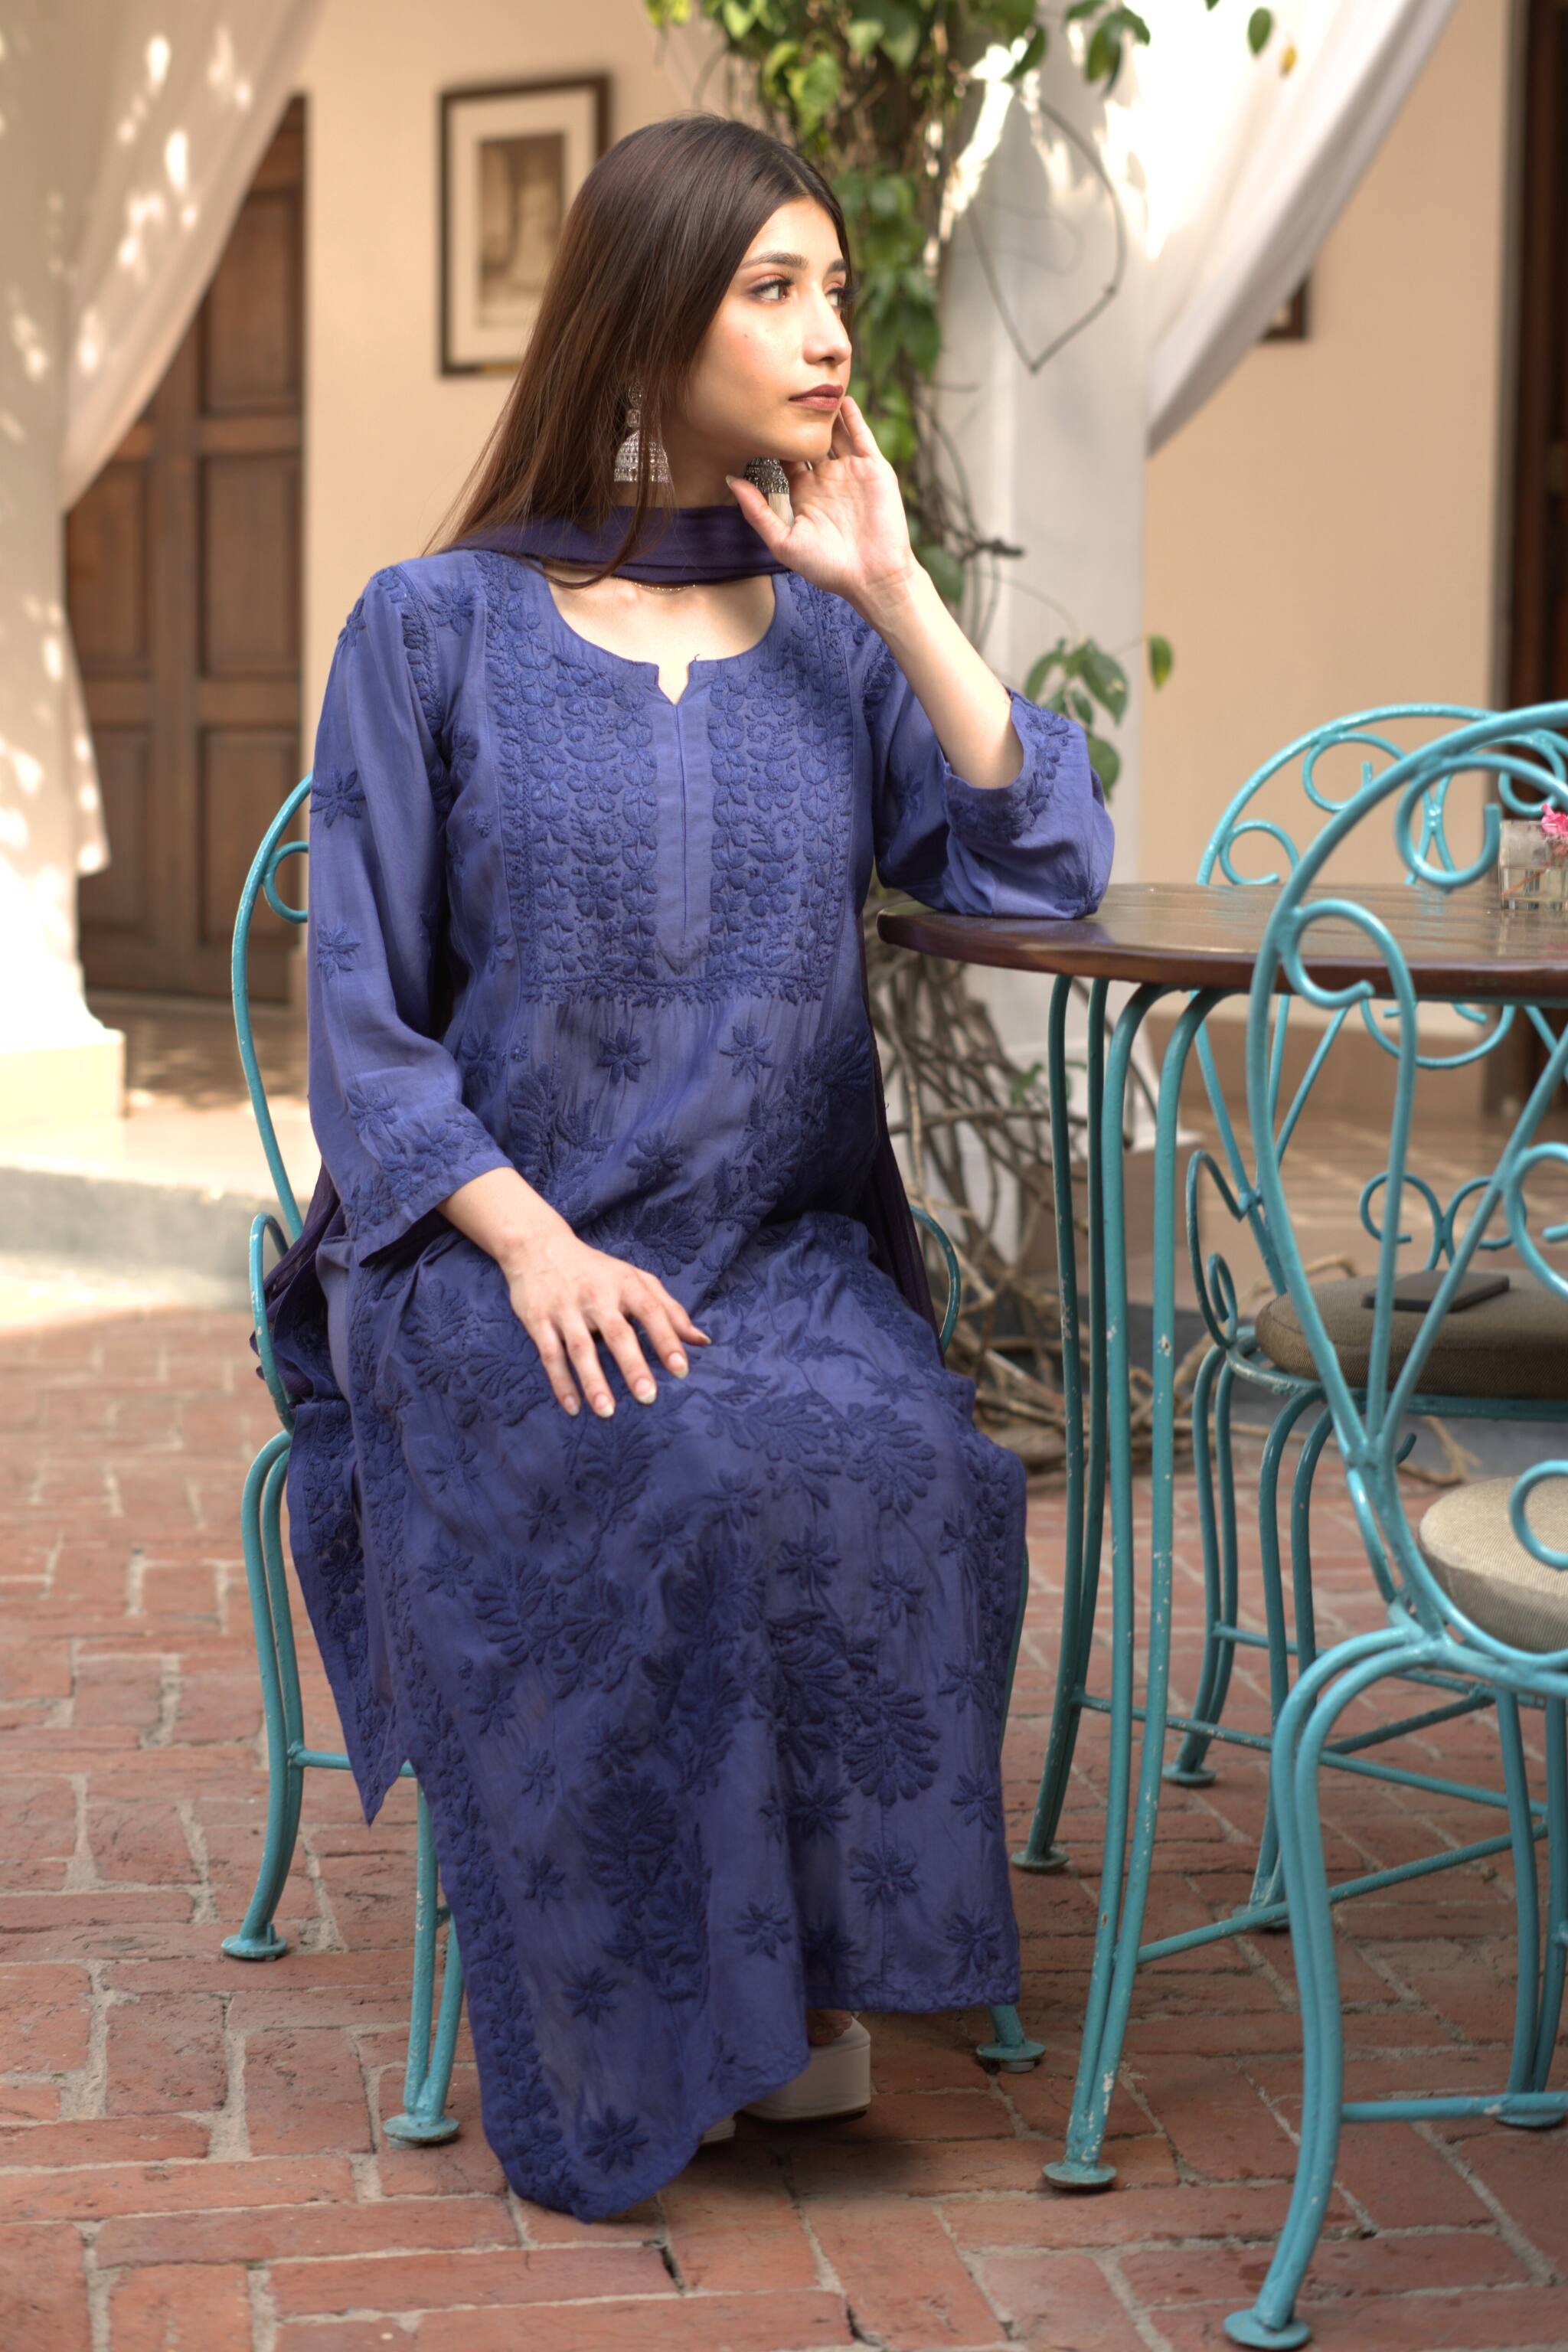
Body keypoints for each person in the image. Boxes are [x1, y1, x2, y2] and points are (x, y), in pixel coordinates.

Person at [264, 109, 1112, 2224]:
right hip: (483, 1249)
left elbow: (1043, 860)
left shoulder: (833, 634)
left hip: (776, 1247)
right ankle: (660, 2023)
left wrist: (895, 584)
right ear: (651, 318)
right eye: (774, 290)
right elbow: (360, 1020)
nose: (831, 335)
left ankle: (798, 1991)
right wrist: (531, 1247)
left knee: (907, 1465)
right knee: (671, 1466)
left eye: (837, 292)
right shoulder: (431, 627)